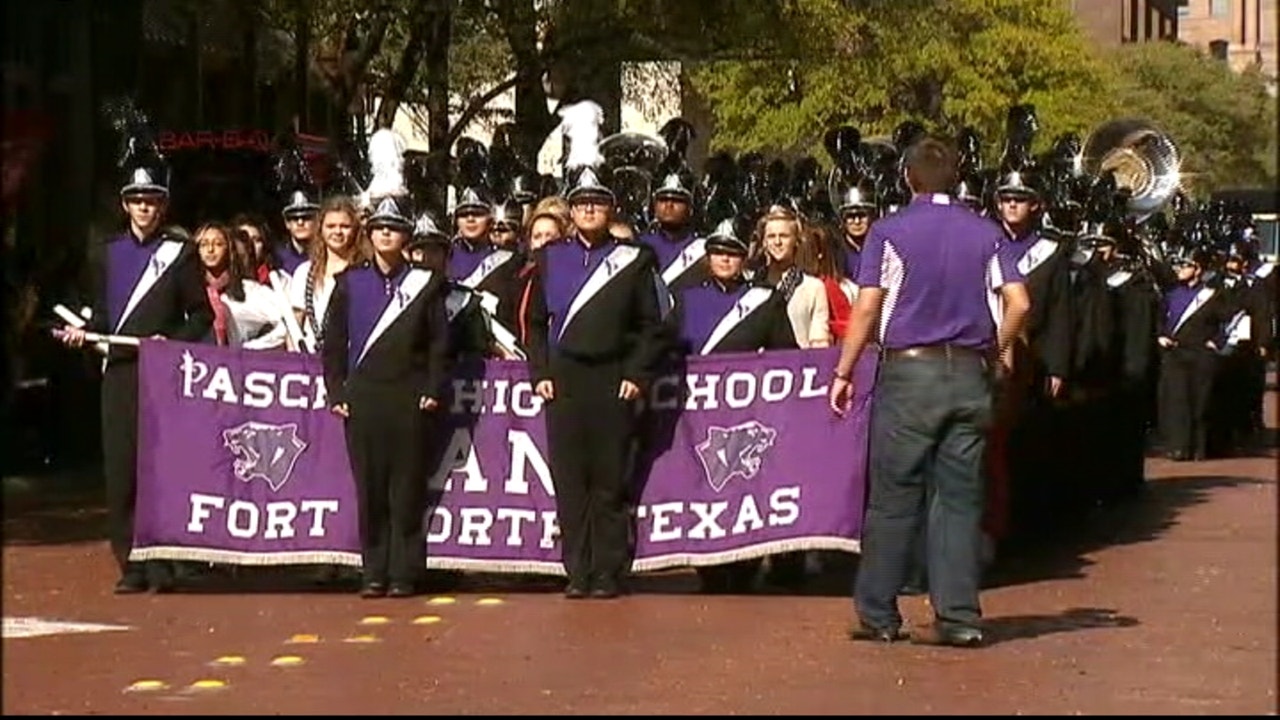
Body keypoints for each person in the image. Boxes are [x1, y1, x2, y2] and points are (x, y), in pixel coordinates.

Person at [829, 137, 1030, 647]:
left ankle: (879, 613)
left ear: (907, 179)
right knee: (960, 500)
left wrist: (845, 370)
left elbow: (869, 307)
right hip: (967, 373)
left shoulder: (889, 231)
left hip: (909, 373)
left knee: (894, 498)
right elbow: (1020, 303)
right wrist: (994, 347)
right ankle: (958, 616)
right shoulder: (986, 233)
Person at [57, 133, 213, 594]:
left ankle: (162, 562)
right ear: (126, 206)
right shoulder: (106, 253)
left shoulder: (180, 254)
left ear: (163, 207)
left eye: (152, 201)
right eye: (137, 201)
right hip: (121, 373)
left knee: (160, 471)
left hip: (161, 374)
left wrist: (172, 340)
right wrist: (83, 335)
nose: (145, 208)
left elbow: (201, 315)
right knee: (122, 470)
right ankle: (130, 563)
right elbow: (102, 316)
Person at [524, 166, 664, 599]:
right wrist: (541, 373)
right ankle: (577, 571)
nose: (589, 209)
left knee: (608, 482)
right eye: (582, 203)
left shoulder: (635, 258)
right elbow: (533, 323)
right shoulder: (551, 257)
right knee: (569, 481)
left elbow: (649, 325)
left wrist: (637, 375)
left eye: (597, 203)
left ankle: (607, 571)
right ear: (572, 210)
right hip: (564, 381)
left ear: (610, 209)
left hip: (611, 379)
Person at [322, 191, 450, 598]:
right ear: (370, 234)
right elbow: (334, 343)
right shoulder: (350, 282)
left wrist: (432, 388)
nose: (385, 235)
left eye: (394, 230)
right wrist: (337, 391)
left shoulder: (427, 283)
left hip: (409, 397)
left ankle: (405, 572)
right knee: (371, 488)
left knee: (407, 488)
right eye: (379, 229)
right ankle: (373, 570)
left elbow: (438, 344)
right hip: (365, 398)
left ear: (406, 237)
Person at [671, 217, 797, 593]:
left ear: (745, 258)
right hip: (697, 412)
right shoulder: (684, 298)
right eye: (719, 253)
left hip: (745, 415)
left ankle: (744, 564)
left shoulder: (765, 299)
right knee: (700, 485)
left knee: (742, 485)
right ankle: (707, 566)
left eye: (733, 253)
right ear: (708, 257)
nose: (725, 260)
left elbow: (786, 356)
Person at [1156, 247, 1236, 462]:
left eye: (1185, 265)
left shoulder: (1213, 295)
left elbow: (1232, 318)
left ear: (1198, 269)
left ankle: (1199, 448)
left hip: (1201, 354)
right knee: (1177, 401)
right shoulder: (1171, 294)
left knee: (1200, 403)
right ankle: (1179, 447)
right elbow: (1160, 320)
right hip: (1176, 353)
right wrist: (1161, 336)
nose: (1179, 269)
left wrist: (1217, 342)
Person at [193, 223, 289, 350]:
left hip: (237, 365)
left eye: (218, 244)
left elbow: (287, 321)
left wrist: (251, 348)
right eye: (204, 244)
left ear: (229, 249)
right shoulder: (187, 292)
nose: (210, 250)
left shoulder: (250, 291)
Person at [290, 196, 365, 353]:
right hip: (308, 361)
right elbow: (295, 322)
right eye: (331, 226)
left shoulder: (364, 272)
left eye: (345, 226)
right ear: (321, 229)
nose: (337, 232)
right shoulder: (304, 272)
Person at [755, 207, 831, 348]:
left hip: (796, 365)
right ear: (764, 242)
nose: (777, 242)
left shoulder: (813, 288)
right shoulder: (752, 287)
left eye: (784, 236)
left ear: (796, 240)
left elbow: (819, 343)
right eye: (771, 236)